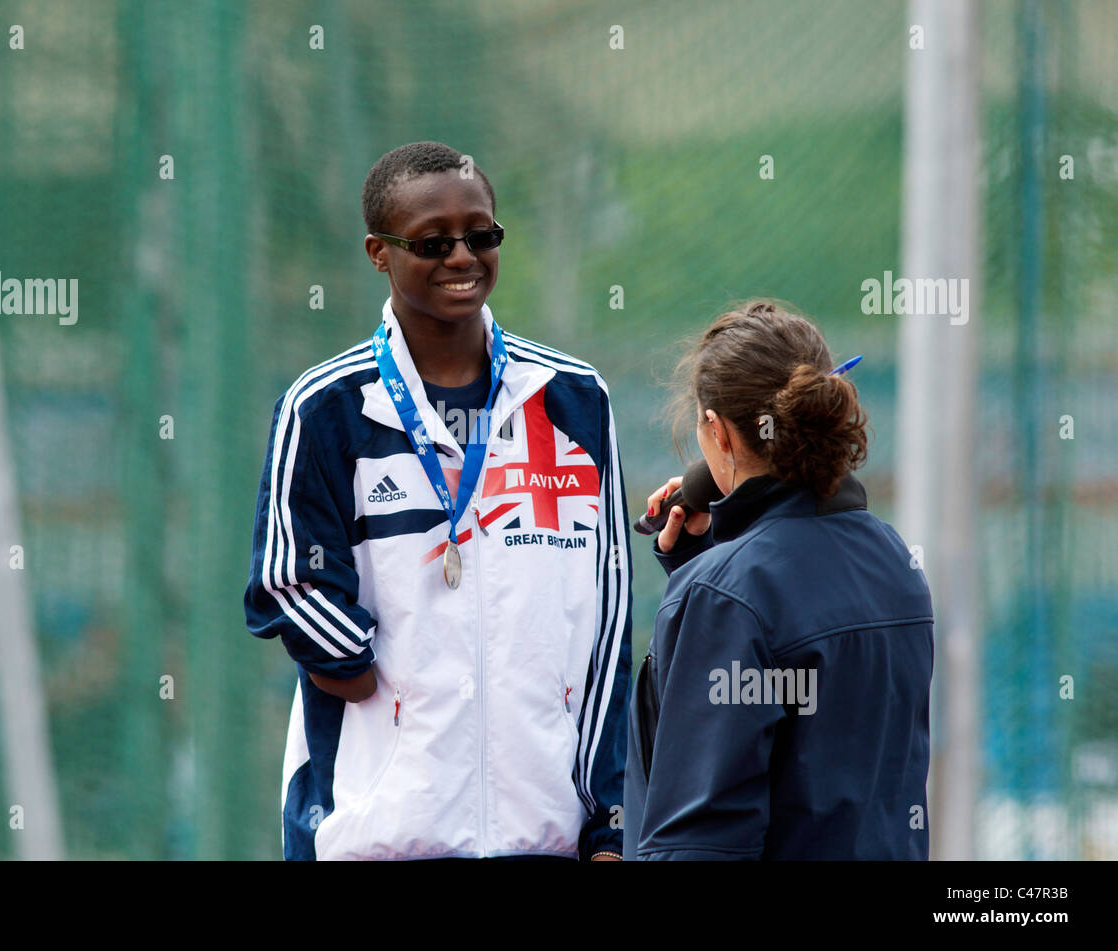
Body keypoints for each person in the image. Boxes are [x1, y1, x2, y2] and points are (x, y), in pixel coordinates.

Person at [244, 142, 632, 861]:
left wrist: (608, 820)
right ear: (378, 253)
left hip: (541, 838)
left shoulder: (573, 399)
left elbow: (607, 628)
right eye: (432, 242)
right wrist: (355, 666)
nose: (462, 256)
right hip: (378, 838)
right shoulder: (326, 409)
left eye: (481, 235)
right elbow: (285, 584)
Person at [624, 300, 934, 860]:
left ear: (718, 432)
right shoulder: (895, 561)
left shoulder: (726, 594)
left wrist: (710, 581)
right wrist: (711, 560)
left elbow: (699, 838)